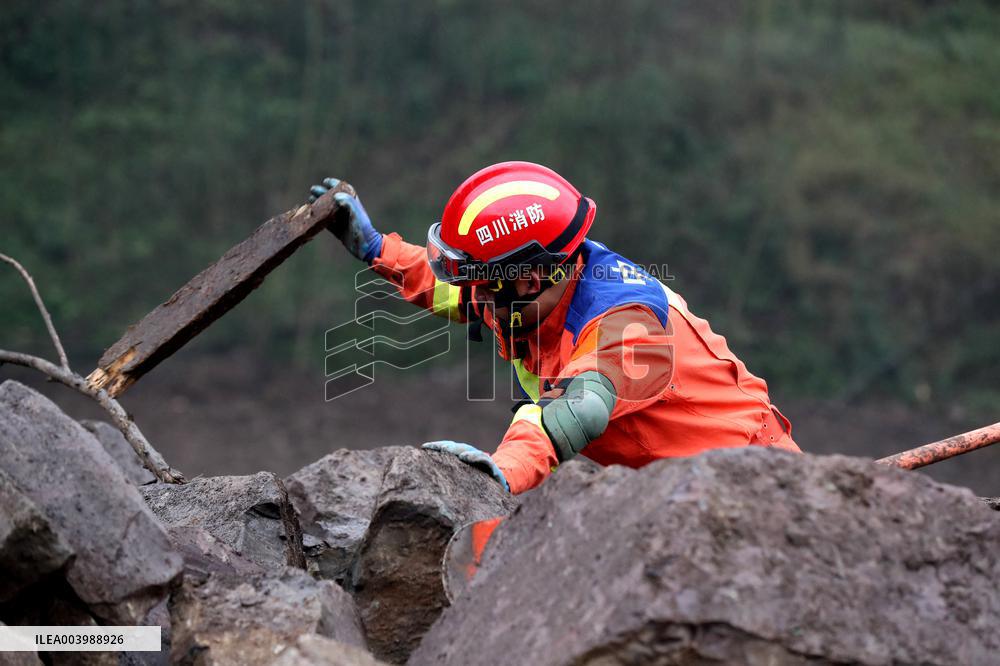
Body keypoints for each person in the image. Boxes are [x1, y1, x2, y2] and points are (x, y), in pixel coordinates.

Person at [310, 162, 799, 495]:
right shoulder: (528, 290)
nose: (474, 296)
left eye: (482, 283)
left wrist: (503, 469)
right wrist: (377, 249)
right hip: (671, 488)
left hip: (752, 481)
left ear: (527, 277)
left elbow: (576, 410)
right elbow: (456, 291)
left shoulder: (628, 326)